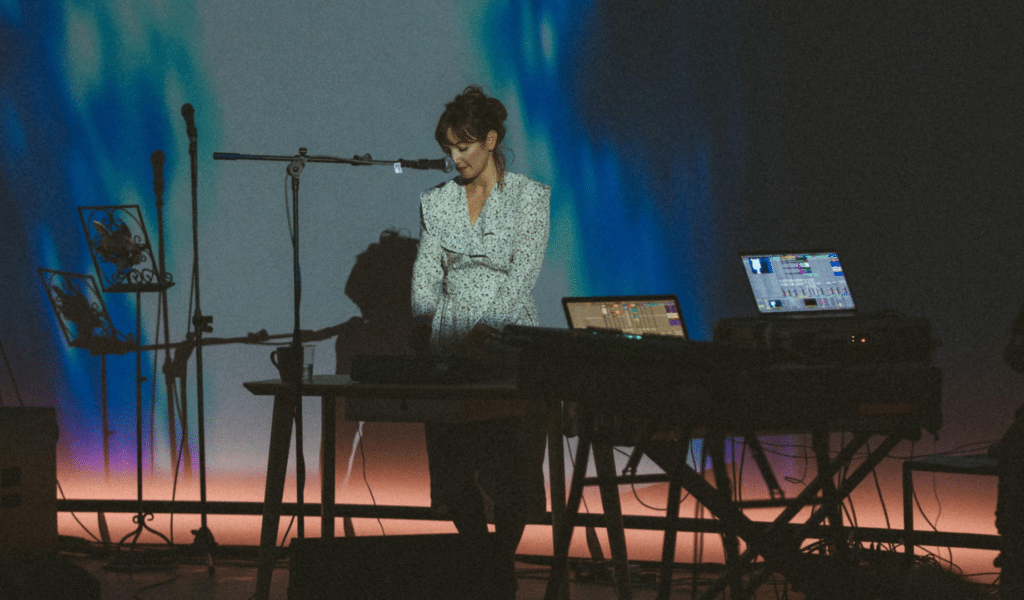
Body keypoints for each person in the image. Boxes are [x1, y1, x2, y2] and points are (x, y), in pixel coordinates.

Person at [410, 85, 550, 599]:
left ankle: (499, 559)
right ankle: (484, 558)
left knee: (512, 462)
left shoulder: (531, 198)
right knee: (452, 465)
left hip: (508, 339)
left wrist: (485, 331)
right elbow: (426, 273)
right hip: (449, 341)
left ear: (491, 140)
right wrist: (429, 328)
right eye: (450, 147)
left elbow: (522, 276)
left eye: (465, 145)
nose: (456, 157)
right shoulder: (437, 202)